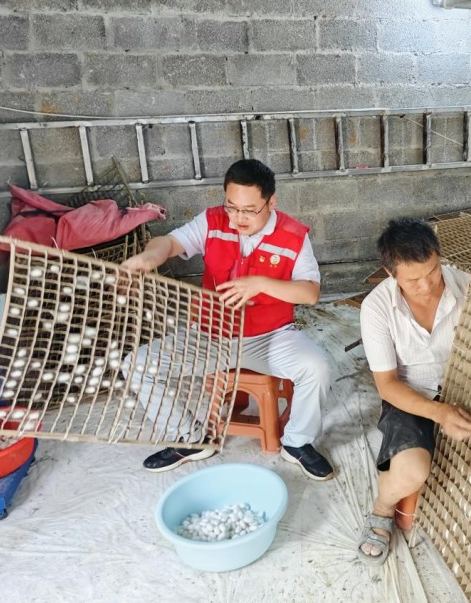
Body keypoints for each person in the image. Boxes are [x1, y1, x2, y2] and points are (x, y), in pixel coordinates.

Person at [120, 159, 334, 481]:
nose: (238, 218)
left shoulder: (293, 235)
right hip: (211, 334)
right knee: (136, 364)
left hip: (270, 337)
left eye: (249, 210)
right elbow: (169, 243)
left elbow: (310, 293)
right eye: (232, 207)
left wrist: (260, 284)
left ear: (271, 202)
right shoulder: (212, 221)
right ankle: (189, 439)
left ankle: (297, 443)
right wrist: (149, 257)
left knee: (316, 367)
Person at [356, 218, 471, 565]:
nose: (426, 286)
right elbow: (387, 385)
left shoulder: (470, 286)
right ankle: (382, 510)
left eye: (433, 271)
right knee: (411, 471)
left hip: (468, 384)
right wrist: (439, 412)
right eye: (412, 280)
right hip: (411, 394)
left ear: (439, 257)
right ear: (390, 272)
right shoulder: (377, 308)